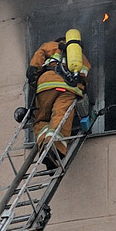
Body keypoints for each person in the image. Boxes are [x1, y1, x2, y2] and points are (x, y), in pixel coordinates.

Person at [27, 30, 91, 167]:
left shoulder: (49, 46)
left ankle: (44, 144)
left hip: (46, 86)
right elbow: (84, 77)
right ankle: (54, 149)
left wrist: (33, 74)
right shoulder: (81, 57)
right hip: (68, 89)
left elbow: (35, 65)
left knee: (41, 120)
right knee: (60, 116)